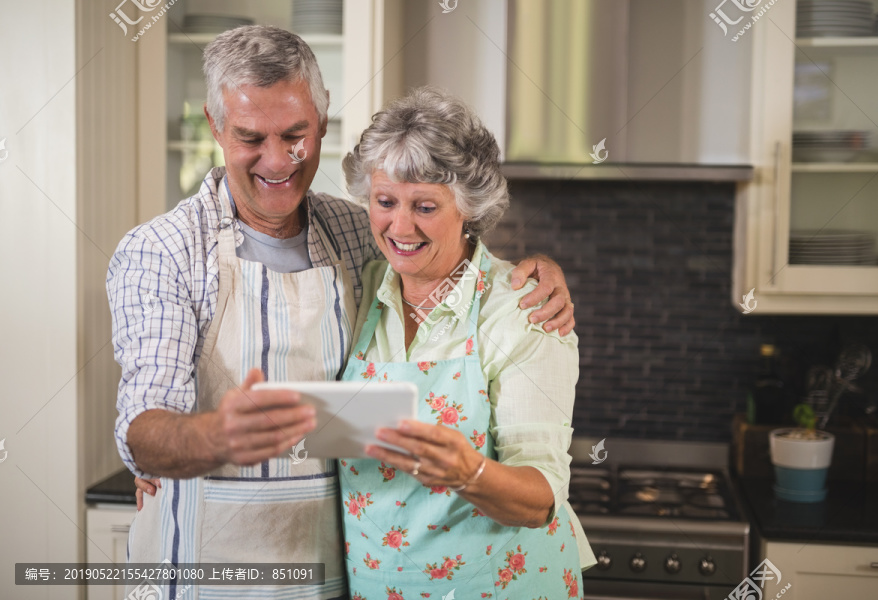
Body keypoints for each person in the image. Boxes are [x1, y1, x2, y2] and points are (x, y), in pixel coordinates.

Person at [112, 26, 575, 600]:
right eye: (251, 136)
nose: (277, 160)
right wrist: (214, 435)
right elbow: (143, 429)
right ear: (214, 125)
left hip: (339, 580)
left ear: (322, 124)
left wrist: (537, 268)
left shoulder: (356, 237)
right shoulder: (164, 251)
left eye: (295, 135)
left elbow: (448, 253)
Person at [337, 87, 594, 599]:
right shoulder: (358, 289)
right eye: (385, 202)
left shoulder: (523, 310)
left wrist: (468, 471)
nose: (400, 226)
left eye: (425, 206)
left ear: (469, 208)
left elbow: (540, 498)